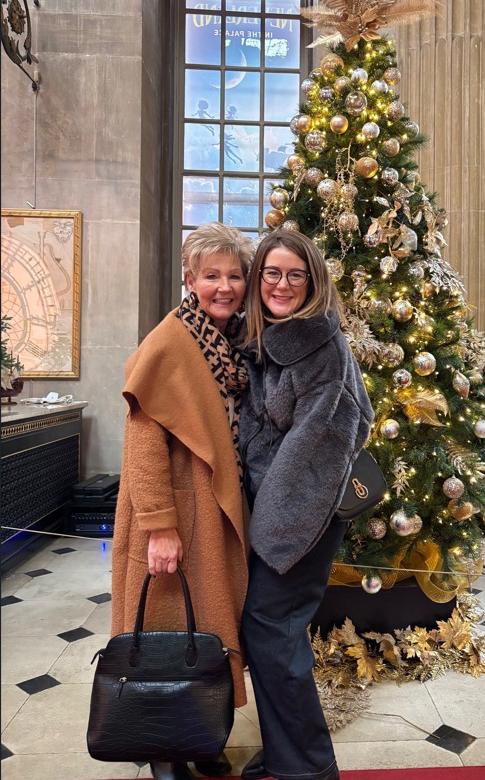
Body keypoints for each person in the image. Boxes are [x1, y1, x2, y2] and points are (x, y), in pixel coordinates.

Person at [110, 222, 255, 780]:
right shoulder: (170, 341)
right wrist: (159, 527)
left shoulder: (228, 342)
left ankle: (198, 733)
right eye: (211, 275)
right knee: (164, 631)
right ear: (189, 279)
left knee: (208, 631)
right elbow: (143, 444)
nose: (224, 286)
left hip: (211, 510)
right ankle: (163, 746)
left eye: (234, 275)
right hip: (176, 514)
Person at [238, 231, 374, 780]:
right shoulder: (272, 337)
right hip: (278, 508)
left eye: (296, 275)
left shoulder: (320, 346)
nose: (282, 284)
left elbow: (314, 447)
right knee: (272, 630)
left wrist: (269, 530)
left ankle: (310, 766)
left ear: (313, 282)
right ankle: (288, 751)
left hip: (301, 515)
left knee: (269, 624)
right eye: (272, 273)